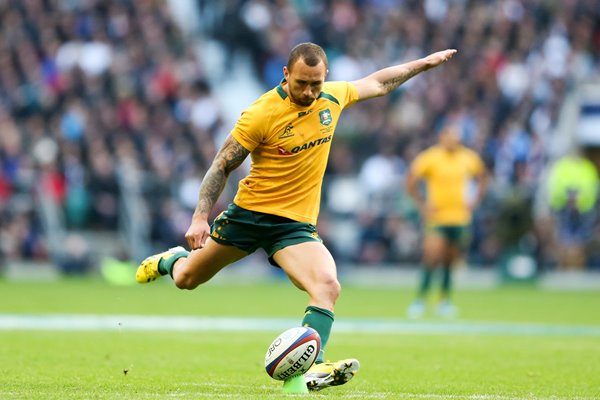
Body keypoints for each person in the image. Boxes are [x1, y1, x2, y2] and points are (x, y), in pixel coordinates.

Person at [136, 42, 457, 391]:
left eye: (315, 84)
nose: (308, 91)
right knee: (187, 279)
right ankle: (173, 260)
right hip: (249, 217)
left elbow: (378, 83)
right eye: (301, 83)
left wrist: (423, 64)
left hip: (293, 227)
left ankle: (310, 370)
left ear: (326, 78)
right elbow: (223, 164)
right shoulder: (261, 112)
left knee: (327, 286)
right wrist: (200, 217)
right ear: (286, 74)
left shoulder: (332, 98)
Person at [405, 124, 488, 319]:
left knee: (451, 260)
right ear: (442, 137)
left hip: (460, 218)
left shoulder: (469, 157)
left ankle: (444, 301)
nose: (453, 140)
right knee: (432, 257)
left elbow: (483, 178)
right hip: (437, 218)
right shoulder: (431, 157)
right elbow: (410, 180)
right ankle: (420, 300)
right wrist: (423, 205)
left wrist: (475, 201)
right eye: (450, 136)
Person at [547, 148, 599, 270]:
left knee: (581, 240)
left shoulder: (588, 167)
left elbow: (593, 188)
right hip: (564, 209)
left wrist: (580, 199)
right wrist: (568, 198)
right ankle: (562, 266)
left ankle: (579, 267)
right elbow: (555, 188)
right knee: (563, 239)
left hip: (584, 211)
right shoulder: (561, 167)